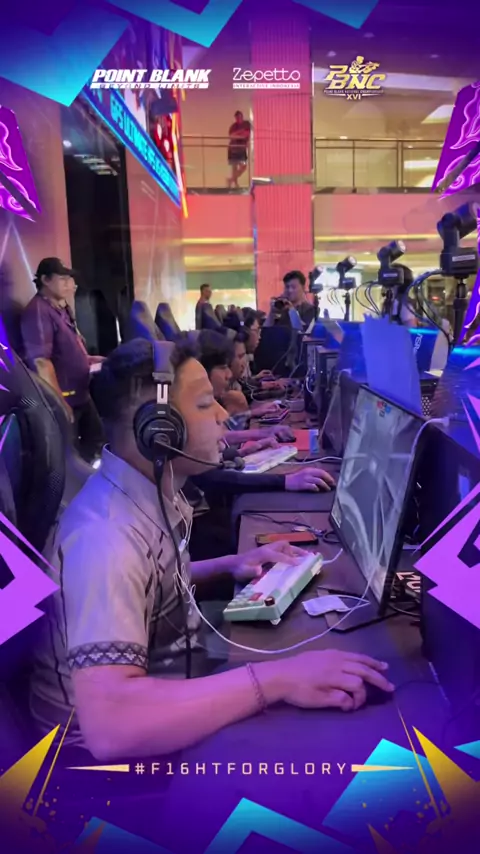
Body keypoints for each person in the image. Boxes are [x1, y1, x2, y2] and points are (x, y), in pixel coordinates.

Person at [30, 337, 393, 759]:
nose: (223, 415)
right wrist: (277, 679)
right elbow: (112, 728)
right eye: (205, 404)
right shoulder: (105, 538)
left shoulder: (147, 495)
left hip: (167, 687)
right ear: (159, 429)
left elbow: (147, 585)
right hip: (104, 769)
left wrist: (231, 563)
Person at [21, 258, 105, 462]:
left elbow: (70, 349)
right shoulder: (38, 312)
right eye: (63, 279)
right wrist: (59, 403)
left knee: (96, 441)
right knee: (72, 454)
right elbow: (41, 362)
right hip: (66, 398)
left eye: (70, 279)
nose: (70, 284)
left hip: (80, 393)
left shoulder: (61, 308)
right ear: (45, 280)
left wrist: (92, 360)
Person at [227, 111, 251, 189]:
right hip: (233, 149)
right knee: (234, 168)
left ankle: (231, 180)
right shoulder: (233, 126)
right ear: (235, 118)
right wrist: (241, 132)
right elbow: (231, 136)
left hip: (242, 149)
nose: (238, 119)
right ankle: (235, 184)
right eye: (237, 118)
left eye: (240, 117)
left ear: (242, 117)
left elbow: (246, 135)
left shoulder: (246, 124)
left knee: (243, 167)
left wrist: (237, 134)